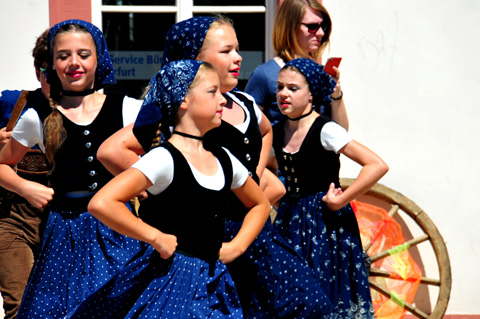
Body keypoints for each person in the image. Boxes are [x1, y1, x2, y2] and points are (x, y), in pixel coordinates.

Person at [98, 16, 338, 319]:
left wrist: (256, 173)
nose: (237, 57)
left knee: (306, 303)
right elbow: (112, 150)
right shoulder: (183, 109)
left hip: (252, 232)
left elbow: (265, 132)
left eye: (237, 49)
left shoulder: (244, 101)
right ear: (195, 59)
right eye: (226, 51)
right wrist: (161, 187)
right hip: (207, 237)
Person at [70, 59, 271, 318]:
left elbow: (260, 203)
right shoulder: (164, 158)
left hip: (214, 280)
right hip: (170, 280)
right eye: (213, 92)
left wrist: (238, 246)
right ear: (183, 100)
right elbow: (102, 203)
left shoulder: (223, 158)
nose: (223, 100)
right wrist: (155, 237)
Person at [0, 19, 144, 318]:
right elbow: (3, 164)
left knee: (119, 307)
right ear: (51, 63)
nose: (73, 63)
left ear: (98, 58)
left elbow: (157, 163)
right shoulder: (36, 116)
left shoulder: (128, 108)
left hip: (117, 229)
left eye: (83, 54)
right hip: (63, 232)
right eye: (63, 55)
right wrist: (26, 187)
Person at [272, 58, 389, 318]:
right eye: (280, 87)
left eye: (293, 88)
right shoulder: (277, 131)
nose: (283, 94)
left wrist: (341, 200)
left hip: (326, 225)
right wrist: (280, 202)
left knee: (326, 292)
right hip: (289, 222)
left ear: (311, 92)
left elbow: (376, 165)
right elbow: (269, 171)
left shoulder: (326, 129)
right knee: (292, 295)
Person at [0, 28, 50, 319]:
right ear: (37, 72)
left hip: (59, 224)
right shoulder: (12, 103)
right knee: (20, 307)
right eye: (45, 72)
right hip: (11, 220)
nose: (51, 80)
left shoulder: (85, 112)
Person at [245, 0, 348, 129]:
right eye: (312, 26)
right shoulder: (265, 74)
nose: (321, 33)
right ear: (290, 27)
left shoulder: (320, 73)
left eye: (324, 26)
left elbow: (341, 131)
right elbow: (249, 126)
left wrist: (336, 95)